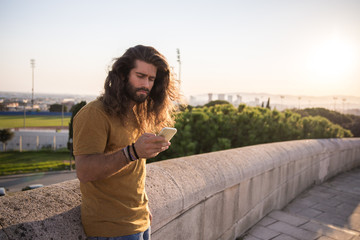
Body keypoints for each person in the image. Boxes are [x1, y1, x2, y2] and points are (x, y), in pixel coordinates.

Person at [73, 45, 180, 239]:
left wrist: (143, 207)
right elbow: (84, 171)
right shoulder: (94, 113)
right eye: (140, 76)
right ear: (122, 74)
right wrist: (132, 152)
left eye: (151, 79)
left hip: (140, 221)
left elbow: (134, 171)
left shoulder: (137, 112)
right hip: (111, 229)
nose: (146, 85)